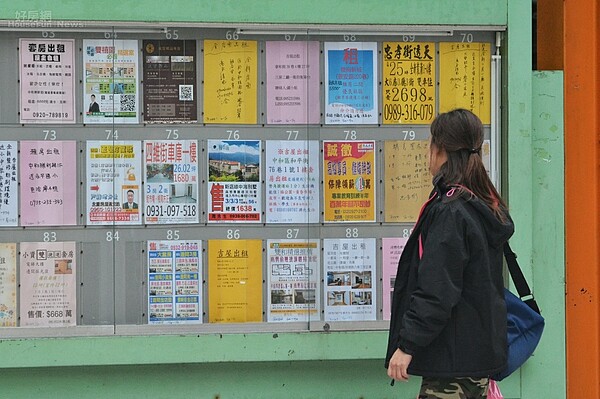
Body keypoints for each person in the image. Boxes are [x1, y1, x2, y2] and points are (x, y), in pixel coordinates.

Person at [385, 109, 514, 398]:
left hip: (452, 363)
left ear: (440, 149)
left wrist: (407, 345)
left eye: (430, 144)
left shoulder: (451, 211)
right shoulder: (481, 202)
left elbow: (438, 289)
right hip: (475, 359)